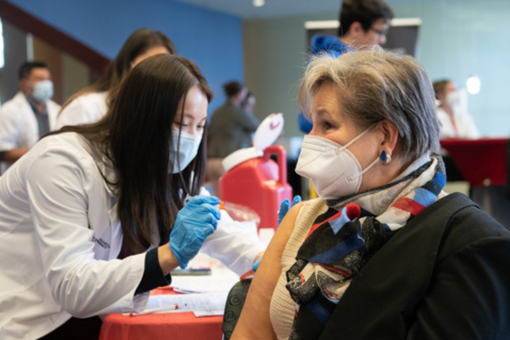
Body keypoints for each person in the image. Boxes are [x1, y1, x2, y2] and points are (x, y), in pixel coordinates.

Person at [232, 49, 510, 339]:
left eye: (327, 125)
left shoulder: (470, 241)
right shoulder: (304, 218)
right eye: (311, 124)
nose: (310, 140)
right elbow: (250, 334)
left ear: (386, 137)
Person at [0, 54, 265, 340]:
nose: (191, 137)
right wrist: (168, 255)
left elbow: (215, 226)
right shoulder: (62, 162)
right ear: (141, 117)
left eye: (199, 126)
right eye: (181, 123)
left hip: (91, 318)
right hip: (25, 321)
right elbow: (72, 287)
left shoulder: (158, 168)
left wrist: (268, 259)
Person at [299, 0, 393, 133]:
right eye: (380, 32)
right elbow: (307, 120)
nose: (383, 40)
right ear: (356, 29)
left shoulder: (358, 64)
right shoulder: (332, 64)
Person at [55, 27, 176, 129]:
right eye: (153, 64)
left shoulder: (156, 115)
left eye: (167, 66)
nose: (160, 72)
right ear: (129, 64)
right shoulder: (86, 107)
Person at [0, 61, 61, 173]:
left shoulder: (57, 109)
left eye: (48, 79)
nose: (46, 83)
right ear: (23, 83)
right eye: (40, 79)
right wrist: (40, 152)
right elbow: (3, 152)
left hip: (50, 173)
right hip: (20, 177)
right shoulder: (9, 111)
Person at [206, 81, 260, 196]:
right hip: (227, 162)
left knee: (218, 199)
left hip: (211, 162)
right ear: (239, 94)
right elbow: (258, 127)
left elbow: (209, 135)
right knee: (232, 199)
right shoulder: (238, 112)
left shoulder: (216, 112)